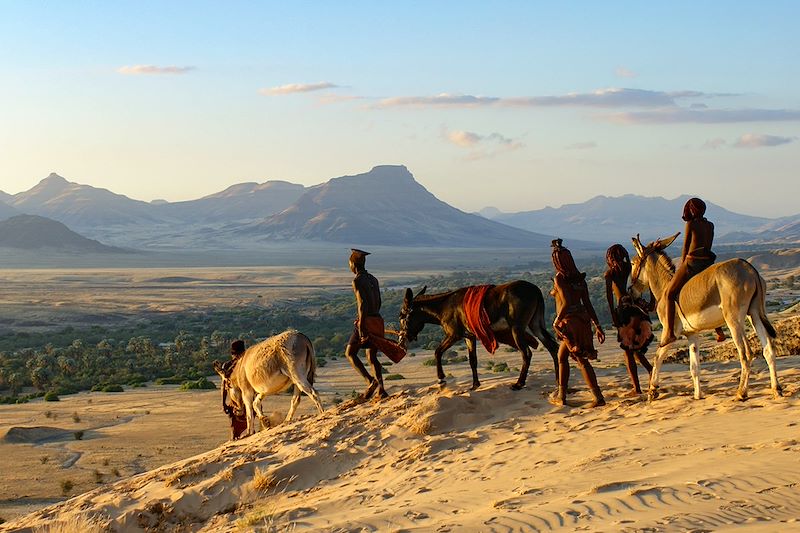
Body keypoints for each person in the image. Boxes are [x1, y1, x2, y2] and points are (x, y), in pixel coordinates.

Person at [661, 198, 726, 346]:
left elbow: (685, 248)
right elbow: (708, 246)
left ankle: (670, 333)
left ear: (691, 210)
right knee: (712, 294)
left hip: (692, 263)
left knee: (669, 294)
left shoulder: (691, 224)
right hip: (707, 262)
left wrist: (681, 267)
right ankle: (719, 331)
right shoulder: (710, 225)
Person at [549, 239, 606, 407]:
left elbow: (565, 303)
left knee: (581, 360)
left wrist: (556, 321)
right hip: (582, 320)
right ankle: (562, 395)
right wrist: (597, 326)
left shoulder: (560, 279)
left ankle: (598, 398)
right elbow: (588, 304)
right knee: (562, 356)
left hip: (570, 323)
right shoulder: (579, 279)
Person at [604, 244, 654, 396]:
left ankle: (637, 388)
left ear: (610, 258)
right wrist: (651, 301)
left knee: (628, 351)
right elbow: (646, 279)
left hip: (624, 311)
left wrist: (613, 316)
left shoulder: (610, 274)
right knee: (636, 350)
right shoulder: (628, 268)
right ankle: (652, 372)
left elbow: (609, 298)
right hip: (636, 307)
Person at [344, 249, 389, 400]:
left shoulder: (357, 281)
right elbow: (379, 301)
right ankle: (381, 390)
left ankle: (371, 381)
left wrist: (362, 326)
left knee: (350, 353)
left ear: (354, 265)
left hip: (366, 320)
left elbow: (362, 305)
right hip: (377, 319)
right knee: (372, 355)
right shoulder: (373, 279)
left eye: (350, 264)